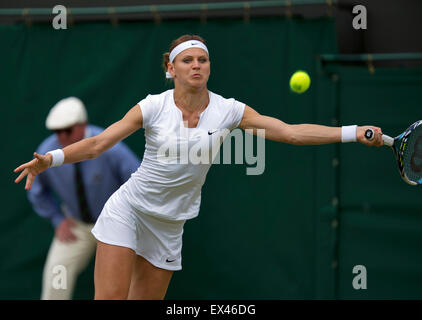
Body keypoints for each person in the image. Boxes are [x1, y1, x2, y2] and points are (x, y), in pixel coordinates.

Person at [14, 34, 384, 300]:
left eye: (202, 59)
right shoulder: (152, 107)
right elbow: (97, 144)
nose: (196, 65)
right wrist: (52, 159)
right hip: (128, 211)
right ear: (170, 68)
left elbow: (290, 133)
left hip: (170, 225)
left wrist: (351, 132)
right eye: (187, 60)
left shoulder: (228, 111)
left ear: (209, 67)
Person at [26, 97, 140, 299]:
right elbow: (35, 189)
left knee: (132, 280)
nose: (61, 136)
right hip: (77, 225)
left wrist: (131, 219)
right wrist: (57, 219)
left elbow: (138, 179)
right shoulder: (46, 153)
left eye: (67, 130)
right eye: (57, 131)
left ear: (82, 125)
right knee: (57, 273)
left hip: (118, 224)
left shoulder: (109, 146)